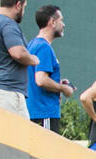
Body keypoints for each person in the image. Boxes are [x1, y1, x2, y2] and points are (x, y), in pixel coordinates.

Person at [0, 0, 37, 118]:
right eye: (24, 6)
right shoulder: (8, 24)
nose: (23, 11)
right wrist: (33, 59)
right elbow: (18, 53)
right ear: (18, 4)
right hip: (6, 96)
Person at [25, 4, 70, 132]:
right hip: (44, 113)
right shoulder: (44, 47)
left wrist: (57, 84)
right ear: (53, 22)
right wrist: (63, 89)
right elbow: (41, 80)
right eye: (61, 20)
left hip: (35, 112)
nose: (64, 24)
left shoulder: (33, 44)